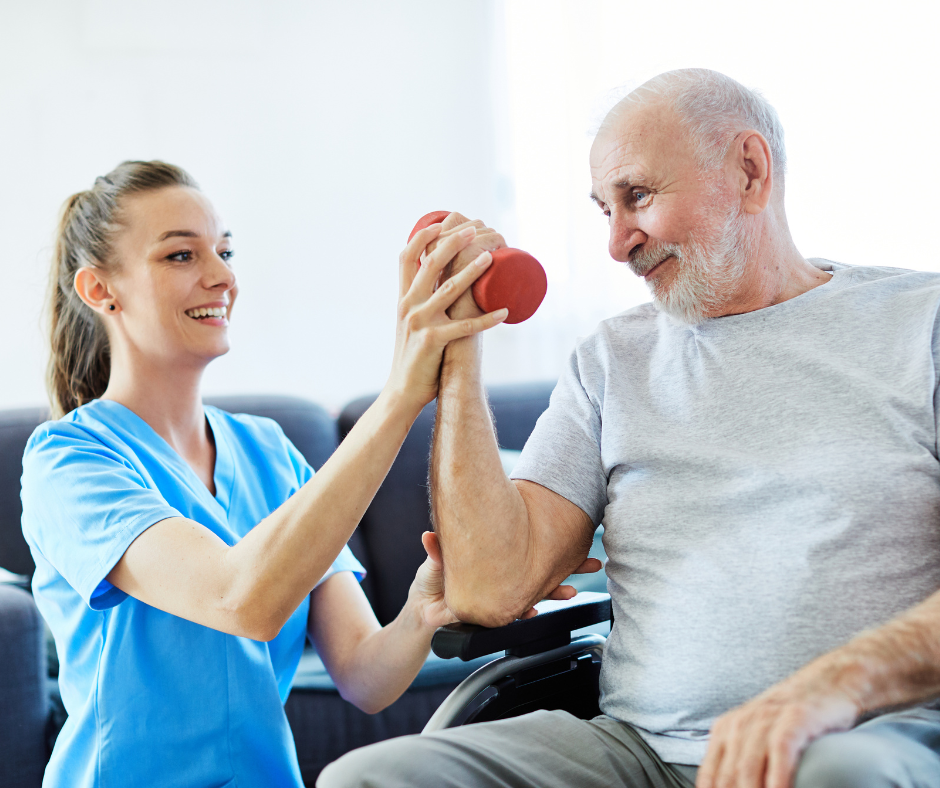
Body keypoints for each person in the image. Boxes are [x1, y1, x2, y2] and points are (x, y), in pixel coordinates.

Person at [318, 69, 940, 788]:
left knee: (841, 774)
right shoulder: (611, 360)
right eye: (603, 209)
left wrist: (832, 687)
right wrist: (461, 347)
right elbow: (489, 587)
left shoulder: (919, 325)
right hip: (640, 753)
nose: (617, 243)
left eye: (637, 196)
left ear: (749, 171)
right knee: (368, 780)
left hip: (867, 736)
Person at [19, 160, 523, 787]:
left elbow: (367, 677)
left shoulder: (267, 450)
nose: (221, 276)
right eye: (181, 256)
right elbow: (240, 600)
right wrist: (400, 394)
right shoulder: (69, 460)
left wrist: (427, 604)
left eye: (225, 251)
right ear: (99, 290)